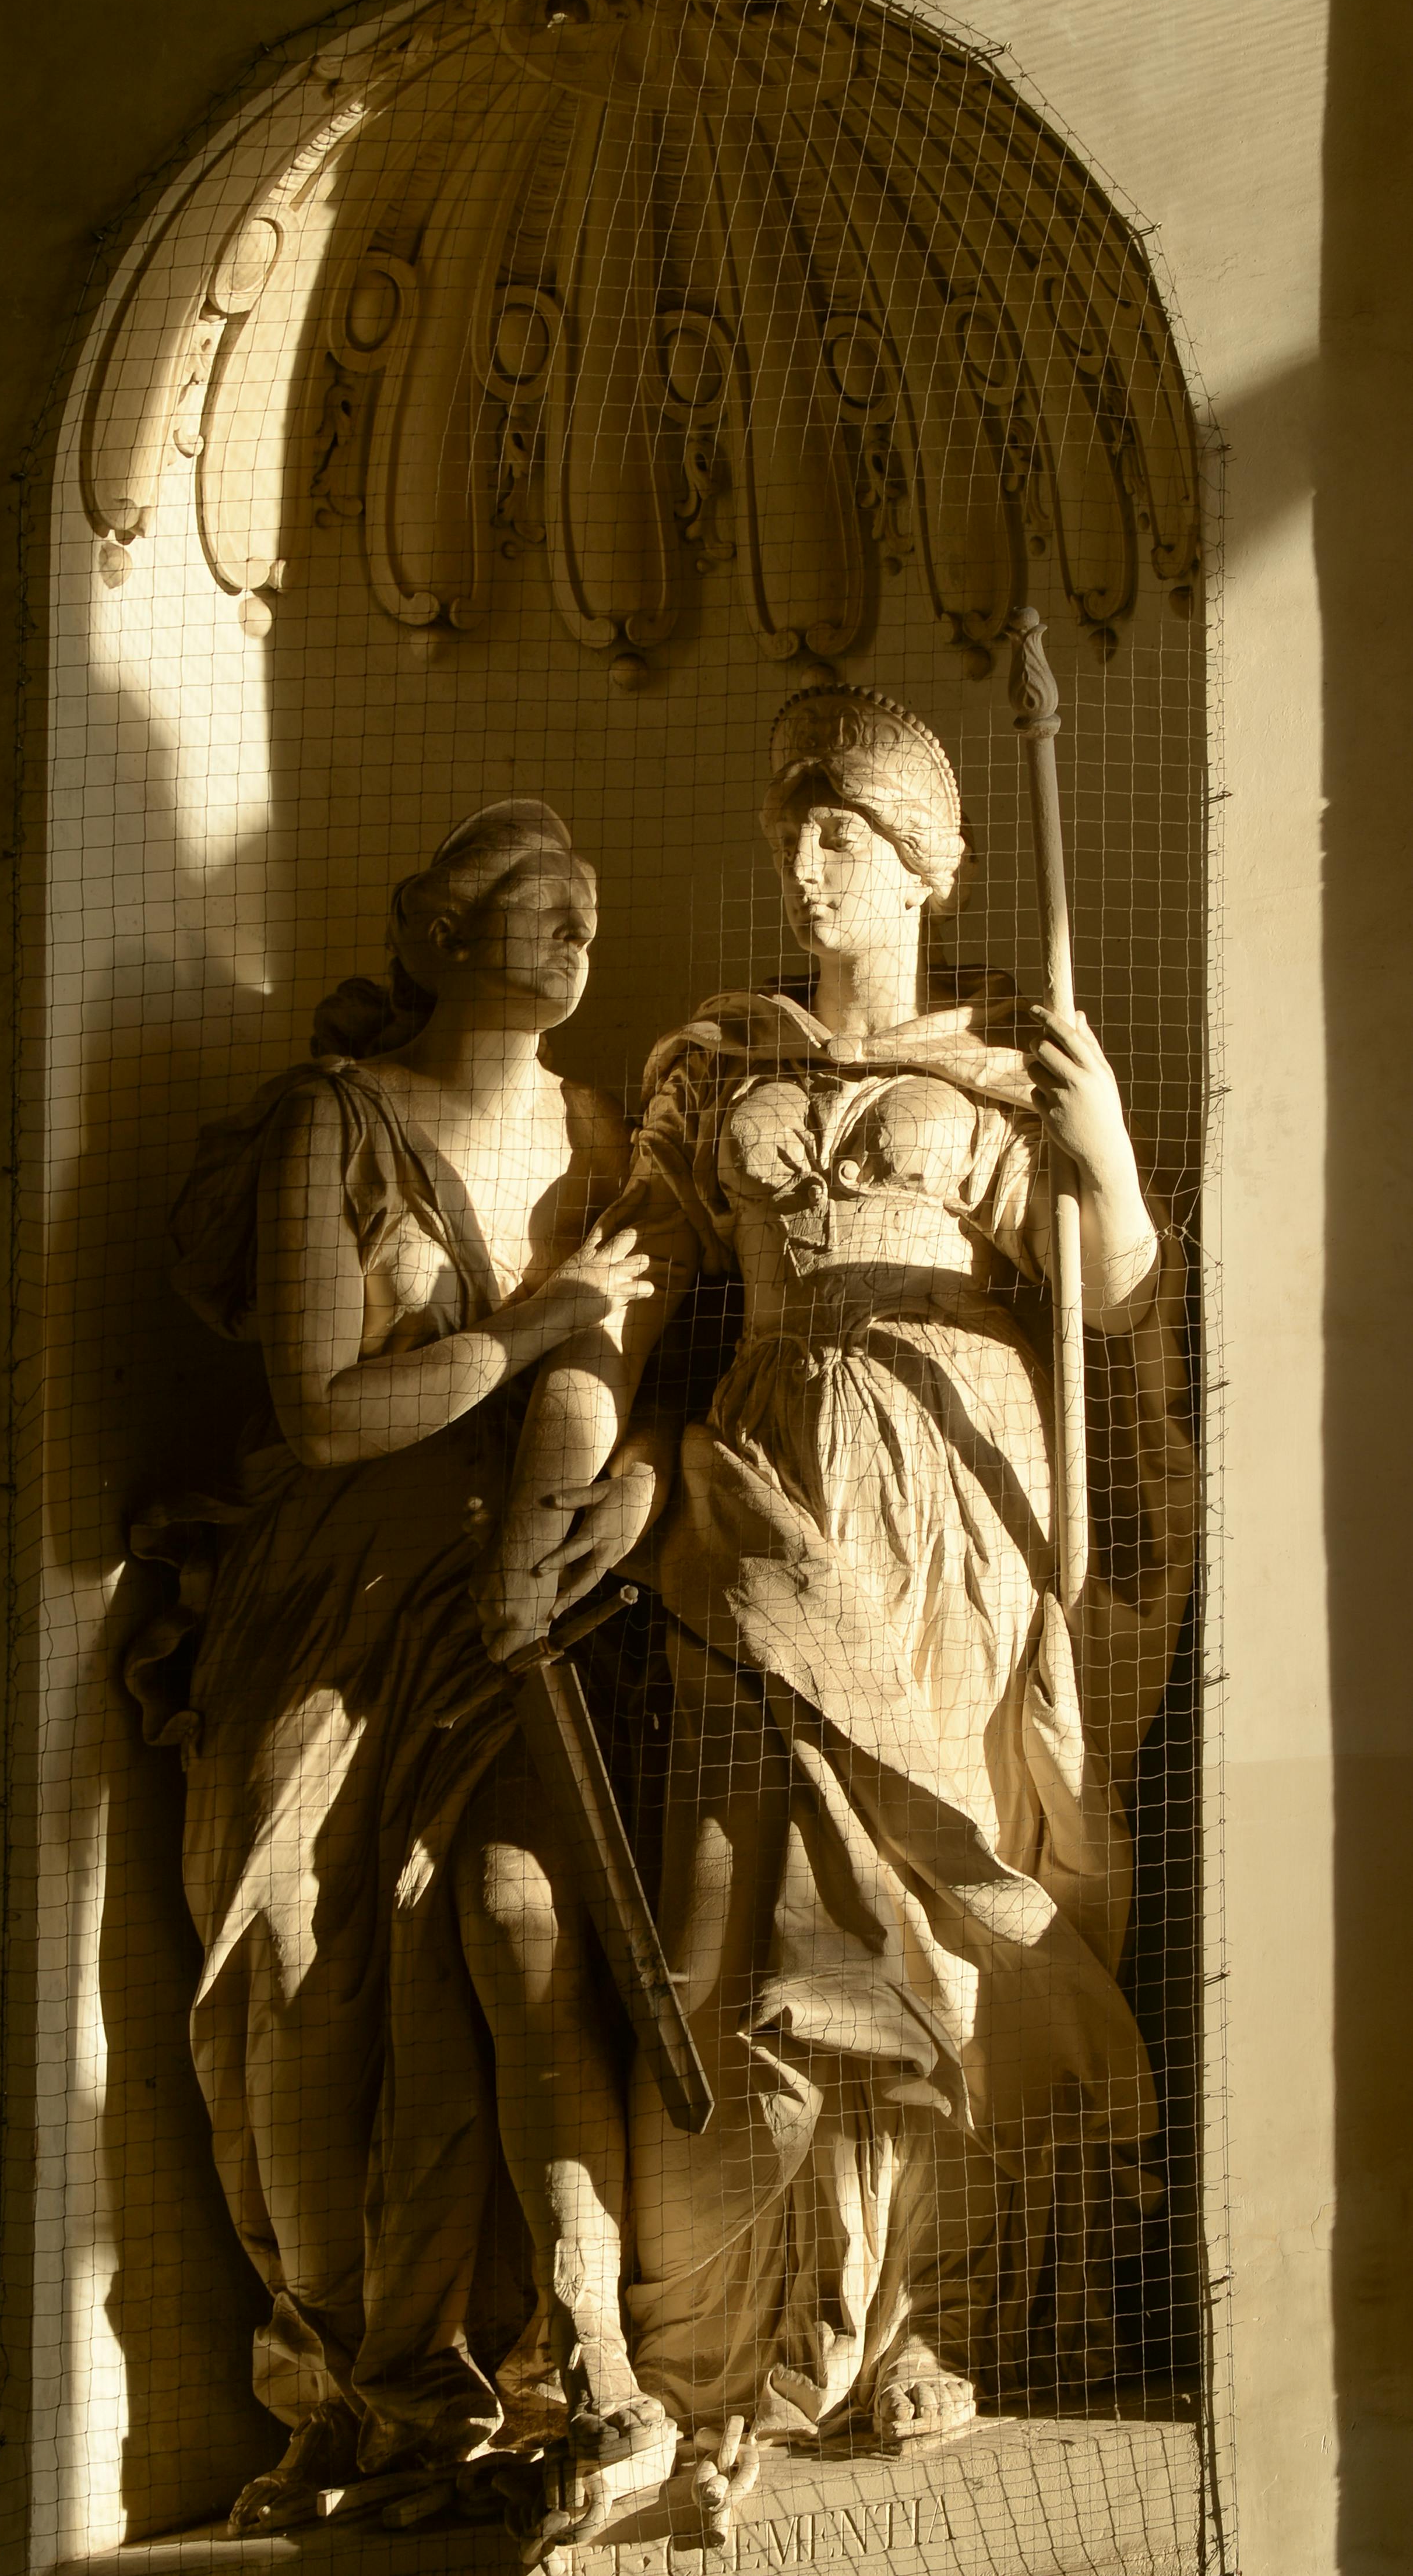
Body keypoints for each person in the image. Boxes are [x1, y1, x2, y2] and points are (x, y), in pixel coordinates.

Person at [482, 690, 1196, 2448]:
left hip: (958, 1496)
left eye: (846, 833)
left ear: (930, 864)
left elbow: (1116, 1296)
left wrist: (1102, 1145)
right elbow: (625, 1301)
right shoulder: (719, 1064)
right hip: (759, 1488)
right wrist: (580, 1486)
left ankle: (928, 2323)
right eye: (793, 830)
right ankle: (756, 2324)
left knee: (941, 1905)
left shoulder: (1004, 1063)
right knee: (741, 1907)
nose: (808, 865)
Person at [130, 801, 671, 2534]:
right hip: (325, 1599)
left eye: (590, 909)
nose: (577, 931)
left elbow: (642, 1373)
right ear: (437, 931)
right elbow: (321, 1411)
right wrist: (527, 1325)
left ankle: (538, 2357)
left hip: (506, 1608)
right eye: (541, 902)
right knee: (297, 1959)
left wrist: (631, 1492)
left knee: (496, 1941)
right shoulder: (334, 1122)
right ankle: (357, 2384)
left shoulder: (595, 1131)